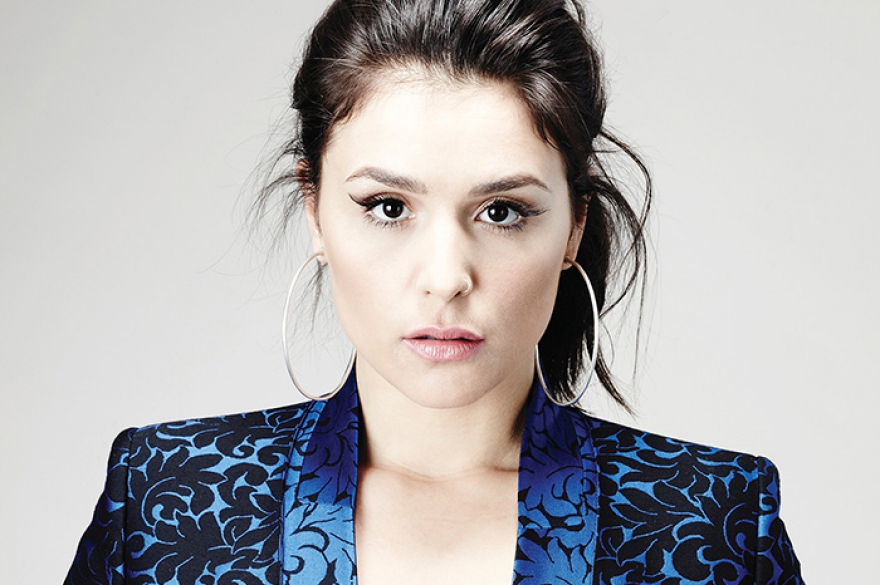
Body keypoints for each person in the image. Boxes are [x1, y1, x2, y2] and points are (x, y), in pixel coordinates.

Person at [66, 0, 804, 583]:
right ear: (313, 209)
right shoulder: (164, 500)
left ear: (574, 225)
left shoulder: (714, 521)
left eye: (502, 211)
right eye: (388, 207)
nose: (447, 277)